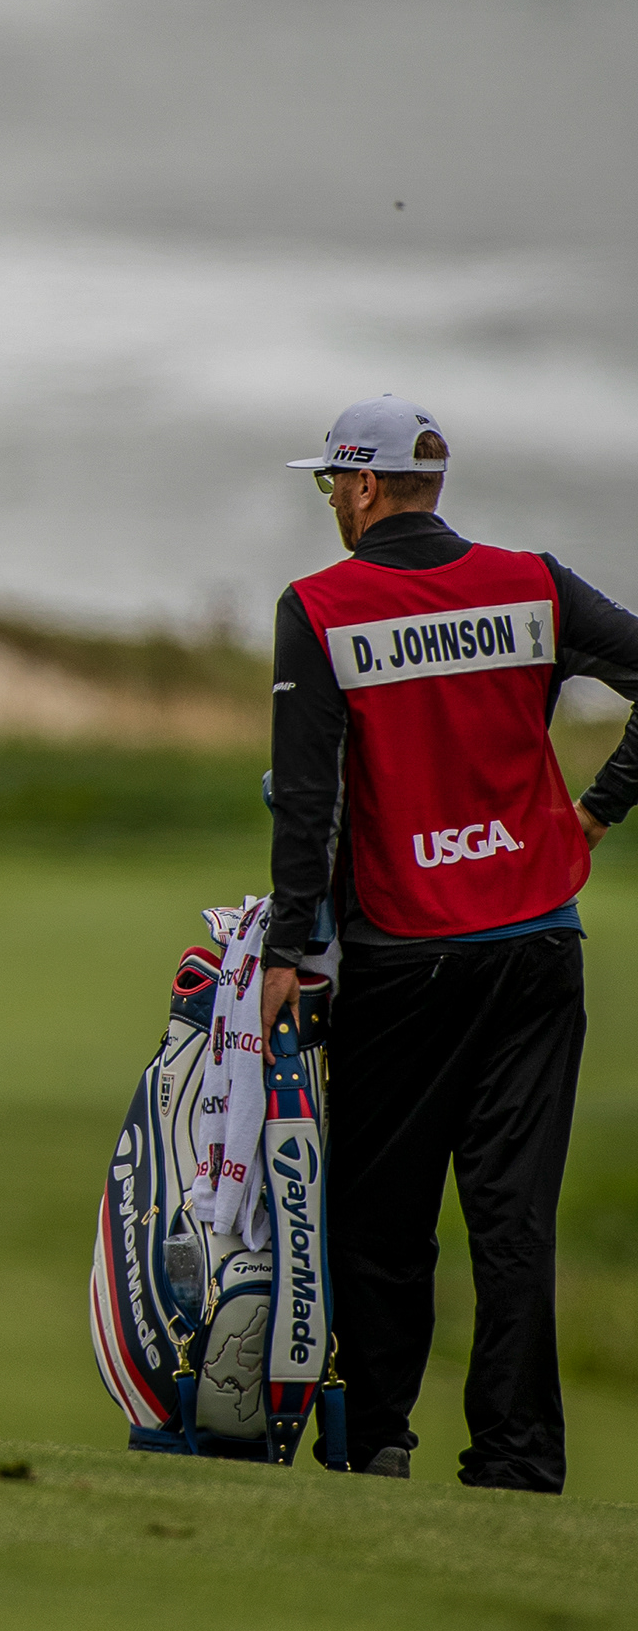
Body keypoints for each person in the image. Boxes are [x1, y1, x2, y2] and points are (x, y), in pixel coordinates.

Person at [258, 396, 638, 1492]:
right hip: (535, 949)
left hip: (406, 954)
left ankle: (376, 1437)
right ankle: (518, 1461)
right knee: (514, 1217)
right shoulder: (536, 585)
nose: (330, 496)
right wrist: (596, 810)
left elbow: (309, 800)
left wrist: (291, 949)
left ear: (366, 487)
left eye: (332, 480)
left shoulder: (322, 607)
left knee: (385, 1217)